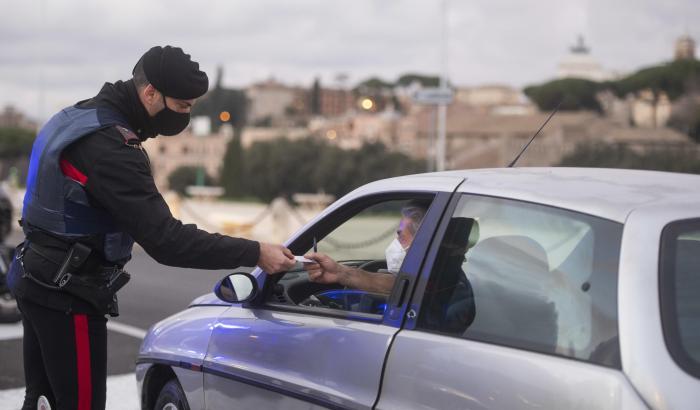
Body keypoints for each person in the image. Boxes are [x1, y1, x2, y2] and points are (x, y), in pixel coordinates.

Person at [7, 45, 295, 410]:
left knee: (43, 400)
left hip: (35, 276)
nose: (185, 117)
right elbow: (167, 241)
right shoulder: (112, 148)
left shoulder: (78, 117)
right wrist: (255, 251)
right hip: (68, 295)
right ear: (150, 93)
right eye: (182, 107)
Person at [304, 200, 429, 294]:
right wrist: (339, 273)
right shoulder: (429, 281)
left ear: (423, 241)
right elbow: (395, 285)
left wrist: (340, 273)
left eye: (400, 236)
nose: (395, 243)